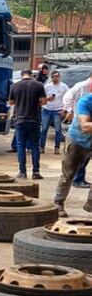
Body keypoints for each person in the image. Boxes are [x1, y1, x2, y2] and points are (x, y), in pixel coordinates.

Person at [54, 85, 92, 217]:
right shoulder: (86, 101)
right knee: (68, 174)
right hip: (77, 141)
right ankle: (58, 203)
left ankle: (91, 204)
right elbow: (85, 126)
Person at [9, 68, 47, 180]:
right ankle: (36, 172)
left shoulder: (15, 86)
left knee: (21, 146)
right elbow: (44, 102)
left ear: (22, 75)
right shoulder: (39, 85)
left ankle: (22, 172)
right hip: (34, 119)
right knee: (35, 146)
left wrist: (20, 101)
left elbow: (11, 102)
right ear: (31, 75)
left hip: (20, 119)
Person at [63, 74, 92, 188]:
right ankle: (58, 202)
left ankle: (79, 179)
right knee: (67, 174)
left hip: (89, 137)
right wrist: (69, 110)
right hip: (77, 136)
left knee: (84, 162)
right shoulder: (83, 92)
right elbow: (67, 96)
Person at [41, 69, 69, 155]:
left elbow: (68, 98)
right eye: (53, 76)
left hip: (57, 110)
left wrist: (64, 109)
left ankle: (57, 147)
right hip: (47, 109)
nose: (55, 78)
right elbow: (42, 98)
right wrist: (48, 99)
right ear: (51, 77)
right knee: (44, 129)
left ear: (59, 77)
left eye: (56, 76)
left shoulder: (64, 87)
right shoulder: (47, 86)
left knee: (58, 129)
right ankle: (41, 146)